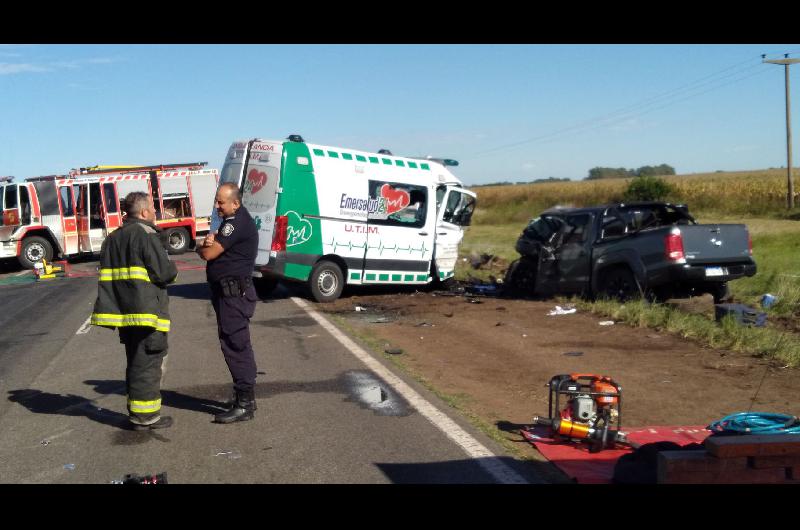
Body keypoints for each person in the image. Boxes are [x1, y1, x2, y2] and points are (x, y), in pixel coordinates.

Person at [91, 192, 178, 430]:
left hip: (125, 316)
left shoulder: (113, 238)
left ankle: (137, 412)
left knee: (135, 363)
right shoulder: (146, 235)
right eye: (152, 208)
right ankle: (146, 417)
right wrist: (173, 266)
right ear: (143, 212)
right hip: (147, 315)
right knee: (148, 364)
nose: (154, 212)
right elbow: (164, 273)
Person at [196, 183, 259, 424]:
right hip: (229, 294)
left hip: (234, 295)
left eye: (221, 202)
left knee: (236, 344)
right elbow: (209, 247)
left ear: (235, 202)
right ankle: (244, 398)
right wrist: (206, 244)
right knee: (234, 342)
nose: (216, 205)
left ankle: (244, 404)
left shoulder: (235, 223)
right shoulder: (231, 220)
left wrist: (204, 247)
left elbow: (209, 253)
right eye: (216, 200)